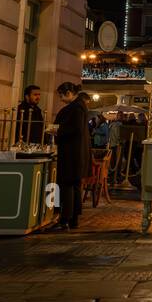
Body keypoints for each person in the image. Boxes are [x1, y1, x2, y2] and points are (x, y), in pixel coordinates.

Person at [52, 81, 91, 231]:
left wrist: (58, 131)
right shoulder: (78, 107)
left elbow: (75, 129)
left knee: (68, 185)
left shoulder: (76, 108)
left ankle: (65, 219)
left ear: (68, 93)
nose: (61, 98)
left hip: (71, 153)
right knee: (75, 186)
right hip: (77, 153)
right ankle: (73, 219)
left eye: (61, 95)